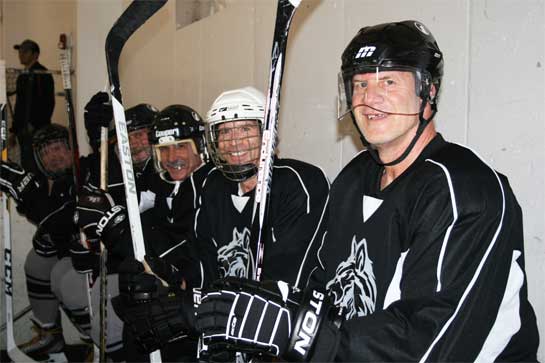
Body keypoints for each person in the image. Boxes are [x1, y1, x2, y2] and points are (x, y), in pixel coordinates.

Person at [195, 20, 540, 362]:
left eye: (388, 81)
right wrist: (247, 307)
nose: (369, 98)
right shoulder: (352, 179)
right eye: (360, 84)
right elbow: (318, 286)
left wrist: (307, 337)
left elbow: (429, 341)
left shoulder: (464, 189)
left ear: (428, 91)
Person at [108, 86, 330, 361]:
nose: (234, 141)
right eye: (225, 131)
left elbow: (284, 287)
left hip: (280, 337)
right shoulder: (213, 186)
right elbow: (203, 264)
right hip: (222, 325)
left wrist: (197, 307)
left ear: (267, 132)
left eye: (245, 129)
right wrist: (163, 275)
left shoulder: (298, 183)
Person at [76, 104, 211, 362]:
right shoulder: (166, 182)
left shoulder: (208, 186)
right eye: (163, 149)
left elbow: (179, 254)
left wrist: (114, 229)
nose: (172, 157)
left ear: (199, 146)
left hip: (195, 303)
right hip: (169, 293)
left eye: (180, 145)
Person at [0, 124, 92, 360]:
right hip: (73, 256)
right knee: (37, 261)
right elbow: (51, 222)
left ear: (71, 149)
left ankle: (99, 339)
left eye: (59, 148)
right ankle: (49, 334)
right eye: (46, 152)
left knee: (65, 276)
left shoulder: (87, 172)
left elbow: (57, 219)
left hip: (99, 261)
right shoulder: (45, 186)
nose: (54, 156)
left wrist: (26, 194)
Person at [11, 39, 55, 178]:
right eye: (20, 51)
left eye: (25, 51)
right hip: (23, 132)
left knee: (37, 167)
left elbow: (48, 104)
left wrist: (35, 125)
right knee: (26, 167)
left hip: (38, 131)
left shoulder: (43, 74)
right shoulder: (22, 76)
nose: (21, 54)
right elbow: (20, 105)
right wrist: (15, 129)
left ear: (35, 54)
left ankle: (38, 197)